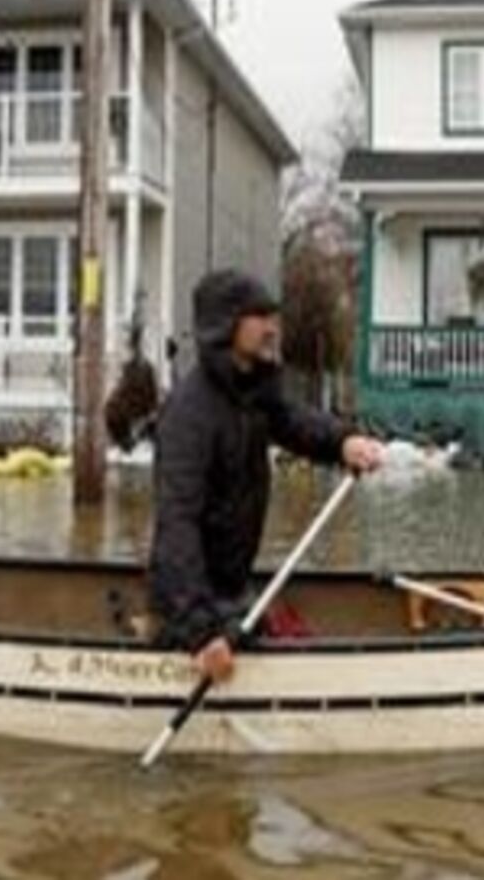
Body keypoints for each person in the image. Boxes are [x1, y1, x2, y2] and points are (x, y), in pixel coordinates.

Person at [148, 270, 384, 685]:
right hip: (196, 604)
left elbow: (292, 422)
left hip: (233, 586)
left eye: (271, 316)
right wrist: (201, 635)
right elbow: (176, 528)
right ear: (227, 324)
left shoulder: (252, 392)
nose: (271, 327)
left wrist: (342, 443)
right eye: (259, 316)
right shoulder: (188, 416)